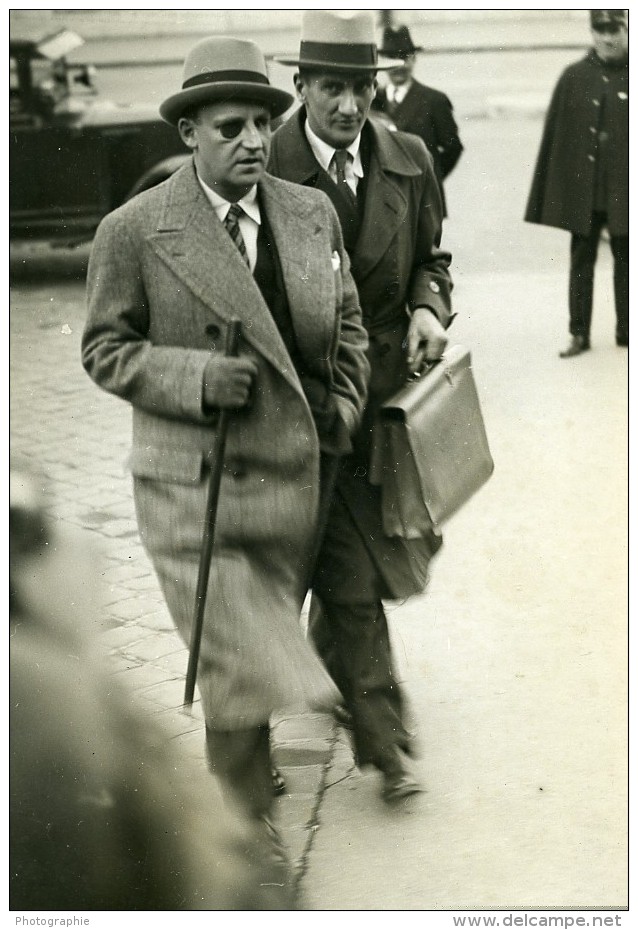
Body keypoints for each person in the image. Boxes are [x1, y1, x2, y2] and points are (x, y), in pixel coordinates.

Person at [81, 35, 370, 879]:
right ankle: (244, 836)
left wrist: (344, 401)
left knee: (245, 655)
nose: (253, 140)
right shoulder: (134, 231)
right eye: (232, 127)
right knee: (237, 655)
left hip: (294, 476)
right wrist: (198, 375)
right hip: (193, 485)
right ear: (189, 136)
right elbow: (104, 349)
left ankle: (247, 782)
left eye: (262, 124)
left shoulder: (309, 212)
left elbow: (345, 317)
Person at [269, 10, 453, 804]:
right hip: (297, 409)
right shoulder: (264, 163)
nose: (348, 107)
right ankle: (384, 742)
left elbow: (434, 259)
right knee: (327, 576)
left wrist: (427, 308)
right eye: (332, 87)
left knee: (373, 560)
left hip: (382, 405)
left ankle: (354, 696)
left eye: (361, 88)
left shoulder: (407, 158)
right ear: (301, 86)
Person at [10, 469, 290, 910]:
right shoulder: (67, 706)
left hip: (271, 489)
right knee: (234, 663)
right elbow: (223, 890)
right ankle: (251, 809)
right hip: (191, 490)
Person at [525, 9, 628, 357]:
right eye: (600, 30)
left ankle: (627, 330)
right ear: (592, 32)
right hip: (587, 191)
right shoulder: (574, 76)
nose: (608, 38)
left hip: (625, 189)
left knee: (627, 258)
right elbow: (558, 138)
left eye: (615, 29)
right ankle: (579, 333)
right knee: (581, 258)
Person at [371, 22, 463, 216]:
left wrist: (431, 176)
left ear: (413, 59)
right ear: (382, 62)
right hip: (382, 200)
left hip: (424, 200)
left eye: (404, 57)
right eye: (391, 58)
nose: (398, 66)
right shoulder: (372, 100)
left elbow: (453, 147)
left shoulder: (434, 100)